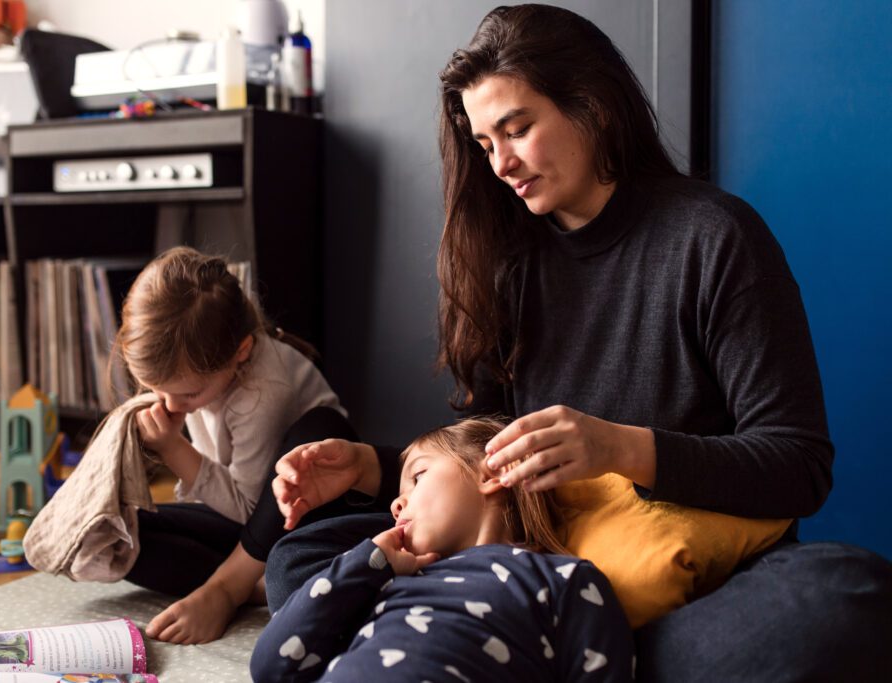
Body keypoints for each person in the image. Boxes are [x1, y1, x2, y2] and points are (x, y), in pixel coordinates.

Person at [266, 4, 892, 681]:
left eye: (518, 129)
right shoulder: (508, 266)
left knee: (846, 598)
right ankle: (526, 647)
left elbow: (800, 465)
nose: (501, 163)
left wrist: (619, 447)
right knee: (300, 556)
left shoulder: (715, 238)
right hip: (530, 575)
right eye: (485, 143)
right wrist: (368, 467)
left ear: (592, 107)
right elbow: (488, 469)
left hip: (675, 578)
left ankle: (491, 649)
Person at [114, 246, 366, 645]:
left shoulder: (263, 390)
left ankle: (227, 589)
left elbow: (253, 508)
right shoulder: (196, 373)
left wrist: (172, 448)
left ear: (241, 353)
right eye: (157, 391)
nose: (171, 405)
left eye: (189, 395)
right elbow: (227, 501)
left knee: (321, 428)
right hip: (247, 524)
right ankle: (256, 585)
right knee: (120, 536)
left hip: (305, 514)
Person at [253, 418, 632, 682]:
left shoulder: (565, 579)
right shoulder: (383, 579)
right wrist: (367, 564)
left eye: (417, 477)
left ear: (492, 473)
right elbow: (272, 665)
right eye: (399, 495)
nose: (395, 506)